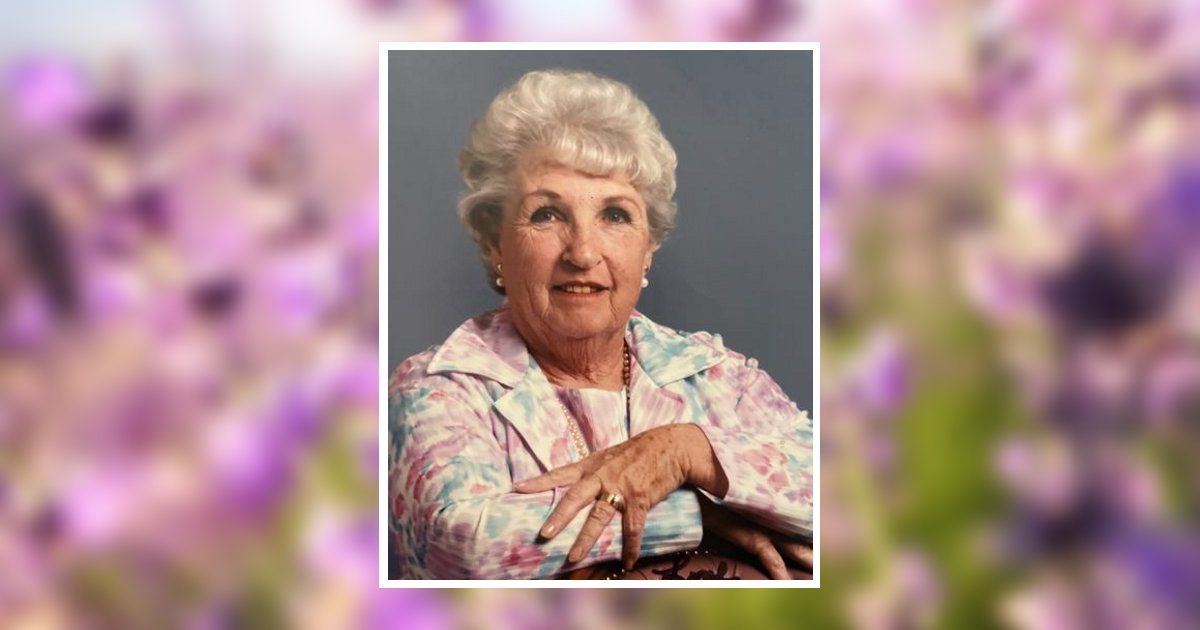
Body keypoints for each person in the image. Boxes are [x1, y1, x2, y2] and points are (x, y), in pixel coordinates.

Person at [388, 69, 813, 579]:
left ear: (648, 246)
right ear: (494, 241)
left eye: (615, 215)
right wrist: (696, 513)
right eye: (547, 214)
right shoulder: (436, 387)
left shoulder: (718, 375)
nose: (583, 253)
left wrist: (689, 451)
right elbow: (462, 546)